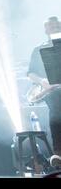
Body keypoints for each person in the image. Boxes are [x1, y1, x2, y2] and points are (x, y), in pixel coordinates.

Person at [27, 16, 61, 167]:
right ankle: (58, 154)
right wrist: (43, 82)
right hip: (53, 91)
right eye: (51, 26)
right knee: (56, 104)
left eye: (57, 25)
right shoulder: (39, 49)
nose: (54, 27)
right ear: (45, 30)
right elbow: (30, 73)